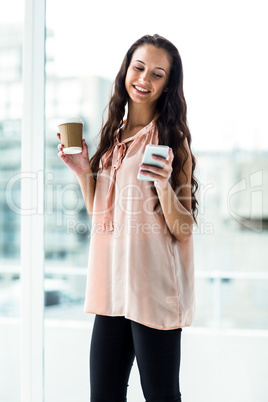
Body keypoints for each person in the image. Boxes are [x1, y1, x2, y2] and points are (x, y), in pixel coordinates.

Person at [58, 34, 198, 402]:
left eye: (157, 74)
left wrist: (164, 184)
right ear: (126, 70)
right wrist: (81, 171)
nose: (144, 79)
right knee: (103, 395)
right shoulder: (113, 136)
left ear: (168, 85)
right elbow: (101, 216)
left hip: (153, 289)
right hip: (111, 289)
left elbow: (183, 228)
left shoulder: (171, 138)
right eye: (139, 68)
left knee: (161, 395)